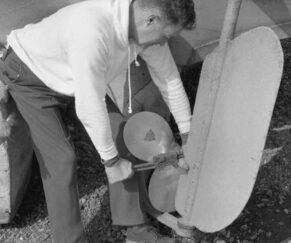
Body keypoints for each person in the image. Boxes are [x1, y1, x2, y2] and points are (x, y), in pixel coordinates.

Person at [0, 0, 196, 242]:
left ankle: (135, 231)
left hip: (75, 77)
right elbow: (89, 106)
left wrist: (188, 136)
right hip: (29, 74)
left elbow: (170, 82)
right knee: (61, 160)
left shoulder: (146, 33)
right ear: (151, 19)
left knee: (124, 137)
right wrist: (111, 162)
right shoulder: (93, 30)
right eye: (165, 36)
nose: (163, 42)